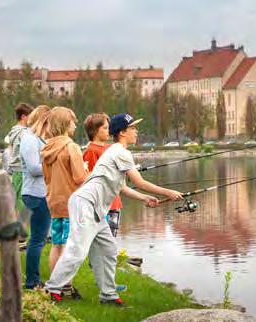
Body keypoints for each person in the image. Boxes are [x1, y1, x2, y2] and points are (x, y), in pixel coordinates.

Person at [45, 113, 183, 305]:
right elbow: (139, 181)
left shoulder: (114, 151)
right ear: (122, 132)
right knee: (77, 250)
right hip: (86, 204)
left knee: (108, 251)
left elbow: (122, 187)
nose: (137, 131)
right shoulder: (120, 152)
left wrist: (144, 197)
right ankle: (51, 289)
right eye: (133, 128)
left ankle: (108, 296)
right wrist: (168, 192)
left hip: (95, 210)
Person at [41, 106, 88, 298]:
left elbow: (46, 178)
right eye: (73, 121)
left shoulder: (46, 148)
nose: (76, 125)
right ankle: (65, 286)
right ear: (64, 124)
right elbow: (79, 178)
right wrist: (86, 168)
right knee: (70, 248)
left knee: (57, 245)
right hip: (71, 203)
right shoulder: (71, 147)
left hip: (53, 201)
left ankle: (55, 287)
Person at [20, 105, 51, 290]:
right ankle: (32, 282)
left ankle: (33, 279)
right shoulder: (30, 139)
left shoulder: (38, 139)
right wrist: (54, 167)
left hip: (40, 193)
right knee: (37, 240)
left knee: (38, 239)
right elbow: (33, 168)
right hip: (35, 194)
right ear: (43, 120)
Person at [82, 113, 123, 236]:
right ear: (94, 131)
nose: (108, 130)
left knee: (112, 238)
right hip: (102, 207)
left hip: (115, 203)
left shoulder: (110, 148)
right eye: (105, 128)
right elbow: (89, 179)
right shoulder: (91, 151)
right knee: (105, 243)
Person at [7, 103, 34, 211]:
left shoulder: (13, 131)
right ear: (23, 117)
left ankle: (13, 221)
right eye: (30, 117)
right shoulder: (23, 133)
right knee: (21, 197)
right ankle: (21, 223)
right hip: (20, 167)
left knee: (15, 196)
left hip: (15, 168)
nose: (32, 121)